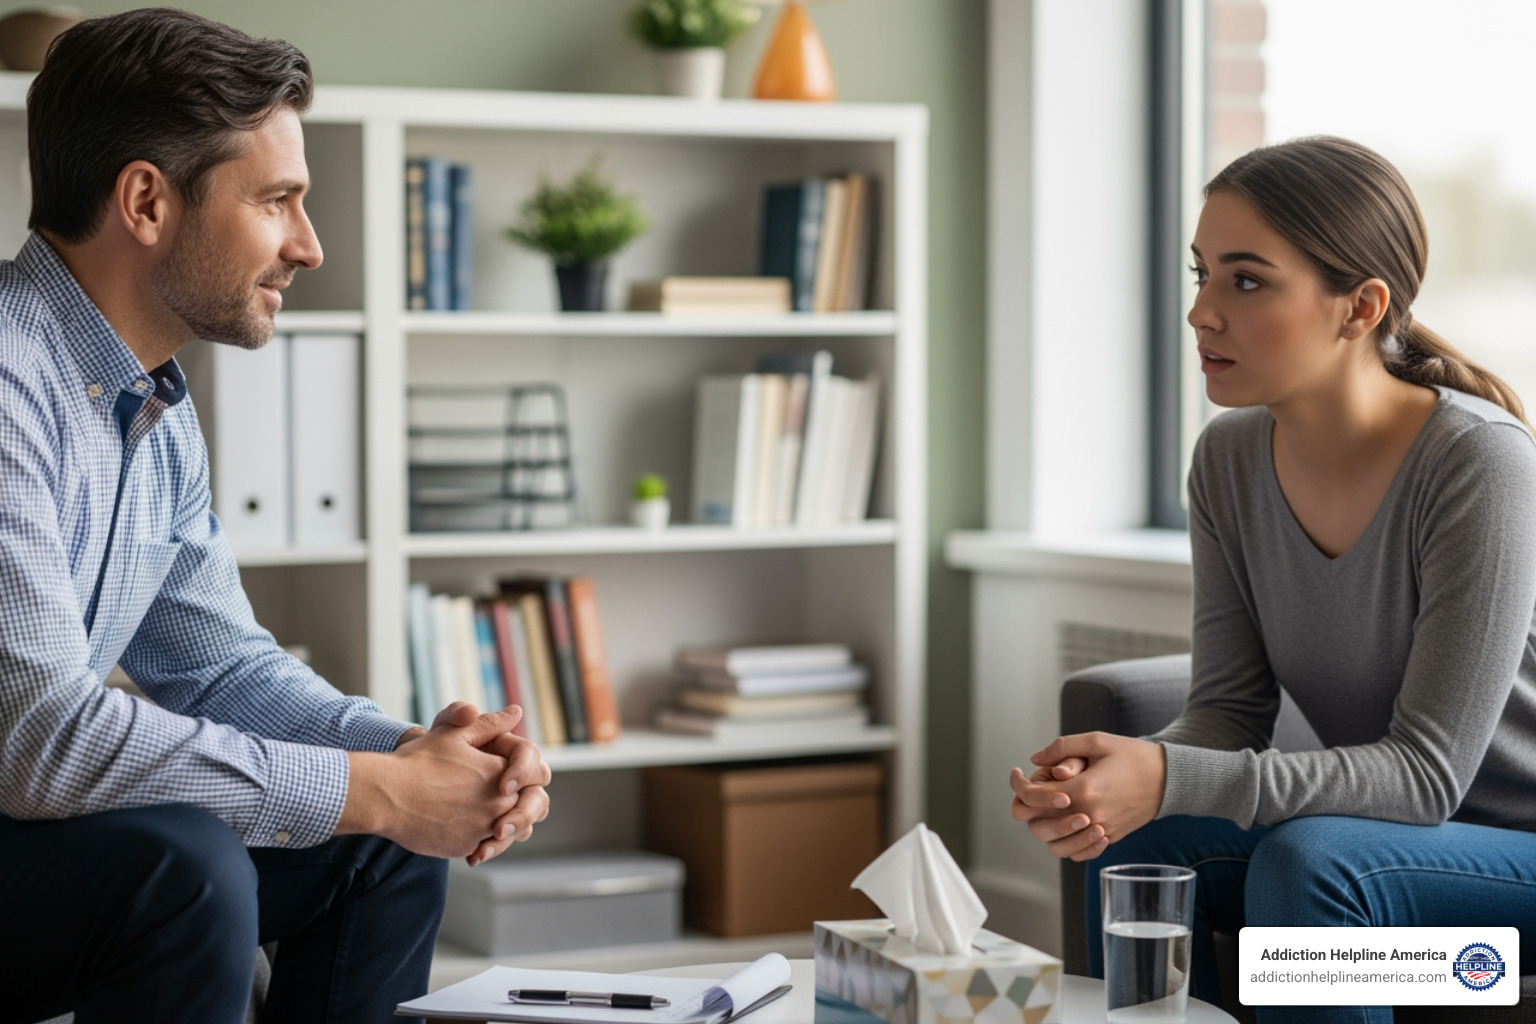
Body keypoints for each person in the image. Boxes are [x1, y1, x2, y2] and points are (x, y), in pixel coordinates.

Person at [0, 10, 551, 1023]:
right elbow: (40, 739)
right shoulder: (6, 384)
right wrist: (379, 784)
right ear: (146, 202)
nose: (310, 245)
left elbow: (221, 668)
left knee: (381, 841)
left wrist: (421, 763)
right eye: (279, 201)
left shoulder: (153, 406)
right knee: (189, 866)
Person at [1010, 136, 1536, 1023]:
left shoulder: (1478, 464)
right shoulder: (1227, 459)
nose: (1202, 314)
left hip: (1505, 882)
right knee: (1140, 845)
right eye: (1202, 274)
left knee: (1314, 866)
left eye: (1246, 281)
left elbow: (1422, 780)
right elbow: (1227, 710)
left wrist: (1170, 776)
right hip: (1387, 860)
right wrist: (1126, 780)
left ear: (1360, 307)